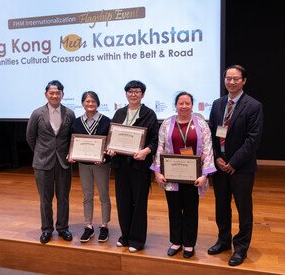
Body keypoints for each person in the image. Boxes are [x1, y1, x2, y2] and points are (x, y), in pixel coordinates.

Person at [207, 65, 263, 266]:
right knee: (221, 206)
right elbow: (212, 133)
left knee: (243, 209)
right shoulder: (217, 103)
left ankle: (241, 248)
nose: (231, 82)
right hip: (220, 166)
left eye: (236, 79)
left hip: (241, 168)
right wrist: (216, 158)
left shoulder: (254, 106)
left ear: (244, 81)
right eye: (228, 78)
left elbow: (252, 140)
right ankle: (223, 241)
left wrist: (233, 162)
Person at [151, 92, 216, 258]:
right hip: (171, 176)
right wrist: (157, 171)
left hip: (194, 177)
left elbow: (208, 149)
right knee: (173, 209)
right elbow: (160, 147)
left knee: (190, 210)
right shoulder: (166, 123)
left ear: (192, 105)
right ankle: (176, 241)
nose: (184, 106)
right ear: (176, 105)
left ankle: (189, 244)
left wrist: (205, 175)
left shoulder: (201, 123)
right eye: (181, 103)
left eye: (188, 103)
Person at [107, 80, 159, 253]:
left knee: (139, 203)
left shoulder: (149, 114)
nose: (133, 94)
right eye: (130, 91)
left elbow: (155, 140)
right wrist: (111, 148)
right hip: (121, 165)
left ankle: (137, 240)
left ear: (142, 94)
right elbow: (111, 136)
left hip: (139, 166)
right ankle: (125, 236)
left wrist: (146, 151)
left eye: (137, 91)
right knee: (123, 202)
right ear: (126, 94)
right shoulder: (119, 113)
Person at [26, 80, 76, 244]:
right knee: (45, 199)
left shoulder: (69, 113)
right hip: (42, 163)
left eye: (58, 93)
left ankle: (63, 228)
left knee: (63, 198)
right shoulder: (37, 114)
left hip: (63, 163)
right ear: (46, 94)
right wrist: (41, 152)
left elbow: (72, 138)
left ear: (62, 94)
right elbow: (30, 137)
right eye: (51, 93)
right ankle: (46, 230)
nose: (55, 95)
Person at [68, 91, 112, 243]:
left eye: (93, 101)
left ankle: (104, 225)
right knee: (87, 195)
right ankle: (88, 226)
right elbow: (72, 142)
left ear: (98, 103)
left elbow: (110, 144)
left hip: (101, 164)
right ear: (83, 104)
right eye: (87, 101)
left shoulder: (107, 121)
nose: (90, 104)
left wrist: (105, 156)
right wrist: (71, 154)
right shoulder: (77, 122)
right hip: (83, 164)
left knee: (103, 195)